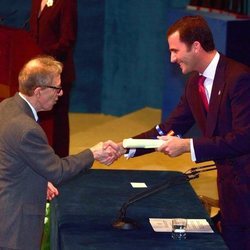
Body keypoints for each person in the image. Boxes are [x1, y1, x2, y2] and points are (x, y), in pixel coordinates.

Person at [117, 16, 250, 250]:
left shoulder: (239, 78)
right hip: (230, 190)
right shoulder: (193, 85)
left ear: (196, 46)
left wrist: (188, 146)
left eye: (175, 50)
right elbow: (167, 128)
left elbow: (243, 138)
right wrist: (125, 146)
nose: (172, 59)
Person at [0, 55, 119, 249]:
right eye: (57, 88)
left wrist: (38, 178)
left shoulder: (7, 107)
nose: (61, 93)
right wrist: (93, 153)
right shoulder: (26, 128)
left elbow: (10, 157)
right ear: (39, 91)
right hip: (15, 224)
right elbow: (58, 170)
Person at [29, 0, 77, 157]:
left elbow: (67, 39)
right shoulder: (37, 1)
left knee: (58, 121)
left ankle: (60, 161)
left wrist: (43, 58)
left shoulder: (66, 2)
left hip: (58, 73)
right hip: (37, 73)